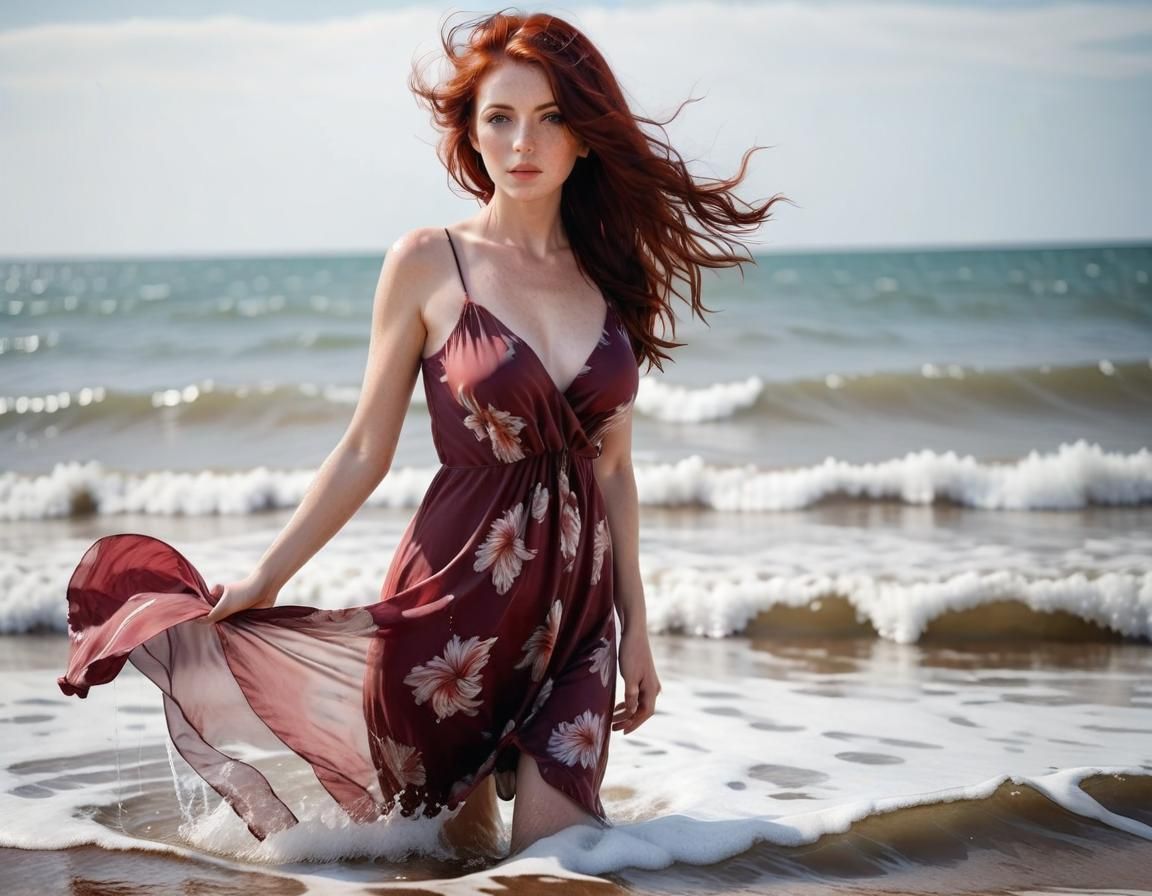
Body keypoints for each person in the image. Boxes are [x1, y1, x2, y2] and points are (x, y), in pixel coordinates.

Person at [58, 10, 787, 861]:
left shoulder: (615, 276)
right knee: (456, 870)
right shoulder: (427, 263)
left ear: (586, 138)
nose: (525, 142)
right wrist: (265, 575)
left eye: (552, 117)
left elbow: (615, 469)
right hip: (451, 620)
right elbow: (366, 448)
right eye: (501, 118)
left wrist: (637, 629)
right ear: (471, 136)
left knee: (562, 867)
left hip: (577, 624)